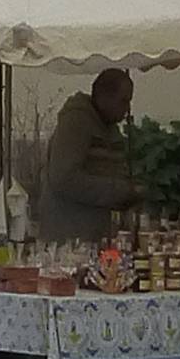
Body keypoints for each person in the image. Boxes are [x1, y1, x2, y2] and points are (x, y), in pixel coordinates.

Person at [40, 67, 139, 241]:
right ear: (104, 97)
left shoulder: (110, 129)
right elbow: (64, 178)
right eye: (123, 101)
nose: (127, 108)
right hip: (69, 237)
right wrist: (119, 191)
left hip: (97, 234)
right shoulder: (76, 122)